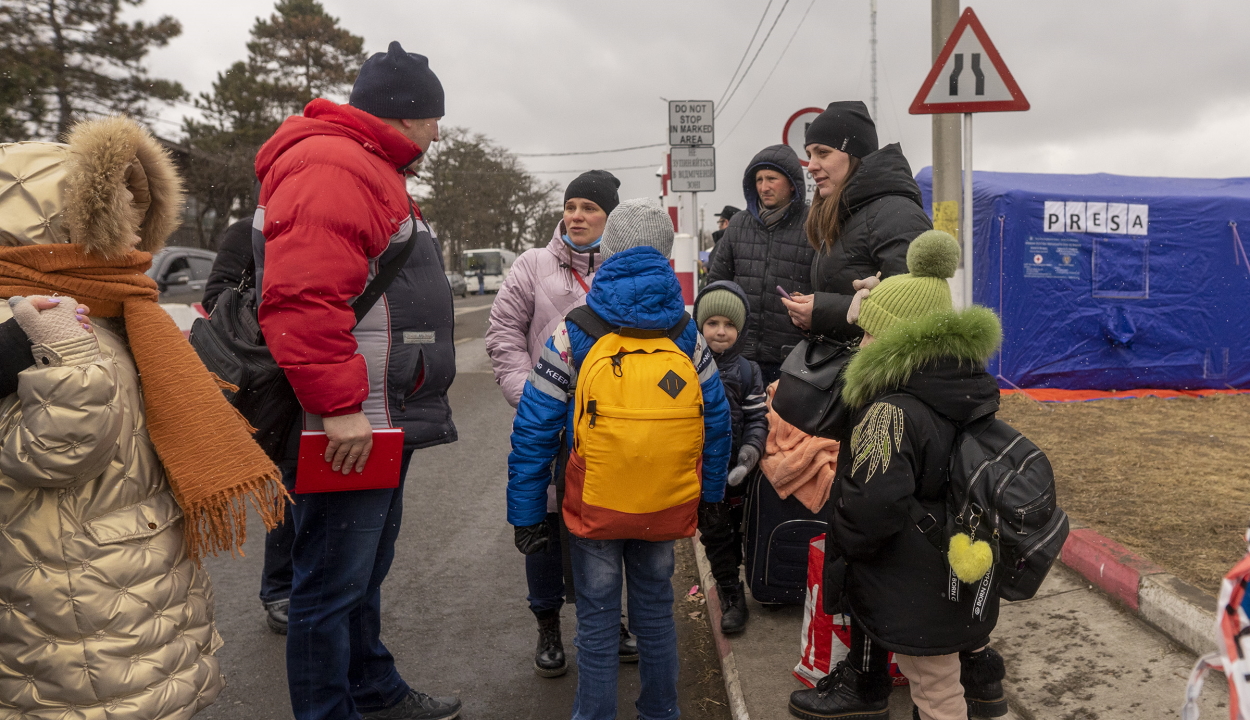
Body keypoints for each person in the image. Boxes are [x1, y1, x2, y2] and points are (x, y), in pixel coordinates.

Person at [0, 116, 287, 720]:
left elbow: (82, 445)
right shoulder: (70, 315)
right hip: (92, 586)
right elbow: (60, 452)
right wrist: (71, 357)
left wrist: (71, 358)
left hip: (106, 583)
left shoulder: (85, 312)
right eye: (110, 209)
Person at [253, 41, 460, 720]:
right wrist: (340, 407)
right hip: (349, 416)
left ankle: (372, 691)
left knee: (359, 575)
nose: (438, 130)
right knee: (329, 585)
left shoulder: (360, 162)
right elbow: (304, 296)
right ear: (405, 113)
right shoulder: (334, 163)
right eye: (433, 116)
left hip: (376, 408)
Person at [507, 199, 732, 720]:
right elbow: (716, 420)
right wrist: (713, 496)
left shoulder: (576, 328)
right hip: (665, 501)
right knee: (655, 609)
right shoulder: (685, 330)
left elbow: (535, 426)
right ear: (662, 252)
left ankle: (595, 713)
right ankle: (661, 711)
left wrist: (524, 513)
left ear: (607, 253)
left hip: (594, 502)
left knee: (598, 615)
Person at [788, 231, 1008, 720]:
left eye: (869, 333)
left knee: (933, 687)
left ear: (897, 339)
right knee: (943, 672)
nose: (861, 342)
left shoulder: (888, 412)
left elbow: (872, 504)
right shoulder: (960, 388)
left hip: (908, 574)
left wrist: (846, 540)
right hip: (950, 559)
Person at [486, 170, 642, 677]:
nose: (576, 216)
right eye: (571, 205)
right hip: (548, 424)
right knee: (546, 525)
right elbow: (503, 333)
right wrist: (529, 396)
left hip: (611, 429)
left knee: (606, 522)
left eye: (589, 208)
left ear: (610, 217)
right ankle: (547, 624)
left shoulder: (626, 269)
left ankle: (609, 621)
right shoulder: (532, 265)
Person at [203, 215, 299, 635]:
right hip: (268, 375)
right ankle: (279, 590)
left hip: (315, 371)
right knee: (289, 487)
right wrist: (278, 319)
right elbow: (216, 297)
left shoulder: (322, 224)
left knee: (311, 487)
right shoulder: (250, 229)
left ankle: (315, 589)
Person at [779, 100, 931, 345]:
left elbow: (915, 308)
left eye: (823, 152)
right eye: (809, 155)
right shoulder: (845, 213)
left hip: (882, 379)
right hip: (851, 373)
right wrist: (811, 314)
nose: (811, 166)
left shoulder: (896, 213)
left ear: (854, 153)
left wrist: (823, 311)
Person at [693, 280, 768, 634]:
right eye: (712, 324)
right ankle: (730, 593)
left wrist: (749, 455)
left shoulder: (749, 371)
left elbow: (757, 419)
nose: (720, 332)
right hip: (705, 474)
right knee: (717, 536)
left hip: (740, 472)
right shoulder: (686, 366)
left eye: (729, 325)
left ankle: (759, 584)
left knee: (746, 531)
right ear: (699, 325)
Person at [706, 145, 814, 384]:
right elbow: (716, 284)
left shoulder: (813, 224)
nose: (764, 187)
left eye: (772, 179)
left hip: (793, 357)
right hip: (740, 355)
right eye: (759, 179)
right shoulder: (738, 224)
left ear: (792, 183)